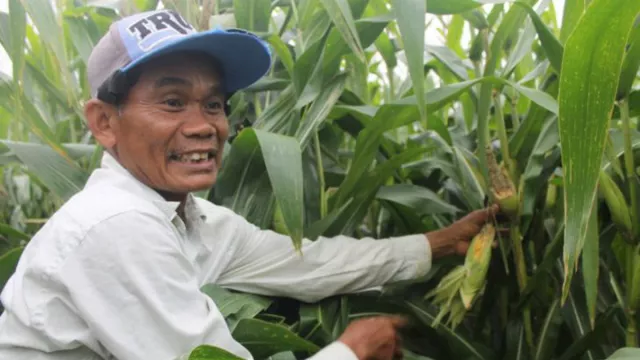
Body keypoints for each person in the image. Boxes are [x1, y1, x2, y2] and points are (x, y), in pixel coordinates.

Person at [0, 9, 498, 360]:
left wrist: (437, 243)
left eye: (214, 104)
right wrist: (351, 350)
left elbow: (311, 261)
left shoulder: (191, 219)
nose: (205, 125)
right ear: (104, 122)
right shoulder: (115, 227)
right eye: (172, 102)